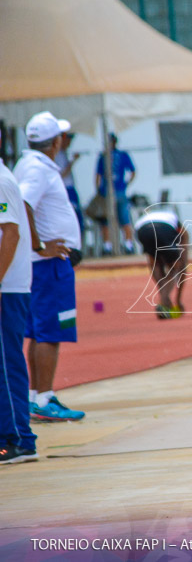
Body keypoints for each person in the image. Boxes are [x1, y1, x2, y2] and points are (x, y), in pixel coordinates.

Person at [13, 111, 85, 423]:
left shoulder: (31, 164)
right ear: (55, 142)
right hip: (48, 265)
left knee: (40, 331)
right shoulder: (38, 169)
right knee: (50, 331)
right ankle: (43, 397)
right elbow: (23, 203)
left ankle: (36, 395)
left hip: (44, 264)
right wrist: (40, 245)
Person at [0, 137, 38, 464]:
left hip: (7, 287)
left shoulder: (0, 181)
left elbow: (10, 232)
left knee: (6, 361)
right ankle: (14, 435)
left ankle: (18, 439)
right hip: (7, 285)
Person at [134, 206, 190, 319]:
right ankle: (162, 302)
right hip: (162, 229)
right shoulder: (180, 229)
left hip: (142, 230)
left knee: (156, 264)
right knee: (175, 267)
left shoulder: (166, 219)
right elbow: (183, 266)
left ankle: (164, 300)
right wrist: (178, 301)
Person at [94, 132, 136, 255]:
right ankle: (128, 245)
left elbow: (97, 176)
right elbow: (133, 172)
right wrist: (126, 184)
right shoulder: (122, 155)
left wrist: (98, 191)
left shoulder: (103, 156)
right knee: (124, 219)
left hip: (106, 192)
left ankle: (108, 246)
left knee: (106, 220)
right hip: (120, 191)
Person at [55, 126, 84, 232]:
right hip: (66, 190)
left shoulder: (62, 153)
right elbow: (61, 175)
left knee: (78, 220)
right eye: (68, 139)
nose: (70, 142)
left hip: (70, 189)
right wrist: (73, 162)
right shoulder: (57, 155)